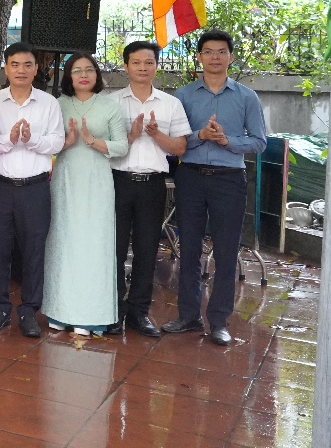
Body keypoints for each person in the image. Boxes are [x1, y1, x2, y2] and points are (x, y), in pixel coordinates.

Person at [165, 30, 267, 346]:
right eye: (208, 51)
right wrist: (201, 136)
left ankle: (220, 321)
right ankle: (188, 315)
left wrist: (227, 140)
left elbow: (260, 142)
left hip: (228, 179)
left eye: (221, 51)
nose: (215, 57)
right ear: (199, 57)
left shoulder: (247, 97)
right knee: (189, 248)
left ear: (231, 57)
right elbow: (175, 142)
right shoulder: (183, 96)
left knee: (225, 251)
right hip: (191, 177)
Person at [106, 40, 189, 337]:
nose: (143, 68)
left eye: (149, 62)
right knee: (113, 249)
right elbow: (103, 149)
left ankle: (139, 313)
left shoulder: (171, 103)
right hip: (117, 182)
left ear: (156, 65)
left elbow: (180, 147)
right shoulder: (111, 102)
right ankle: (113, 311)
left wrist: (156, 135)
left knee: (146, 249)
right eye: (137, 62)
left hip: (153, 185)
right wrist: (130, 136)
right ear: (126, 65)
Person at [42, 53, 128, 337]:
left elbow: (122, 146)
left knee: (94, 246)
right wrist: (66, 143)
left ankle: (90, 315)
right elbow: (49, 146)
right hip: (65, 179)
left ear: (96, 74)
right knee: (63, 241)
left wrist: (93, 141)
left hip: (97, 182)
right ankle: (59, 310)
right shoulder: (57, 105)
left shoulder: (109, 106)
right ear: (67, 76)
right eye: (76, 70)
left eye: (88, 69)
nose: (83, 74)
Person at [0, 42, 64, 338]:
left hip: (35, 188)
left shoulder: (49, 103)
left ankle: (29, 310)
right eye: (14, 64)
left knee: (34, 249)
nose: (21, 70)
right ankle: (0, 307)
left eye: (27, 64)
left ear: (36, 68)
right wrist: (9, 139)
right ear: (5, 68)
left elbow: (57, 142)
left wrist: (31, 139)